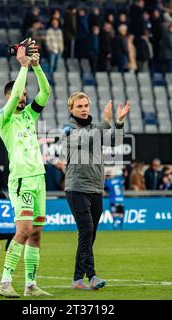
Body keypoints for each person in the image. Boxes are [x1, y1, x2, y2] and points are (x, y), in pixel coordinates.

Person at [0, 41, 51, 298]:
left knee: (37, 233)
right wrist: (23, 66)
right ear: (8, 98)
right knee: (24, 230)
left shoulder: (30, 115)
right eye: (19, 95)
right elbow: (18, 90)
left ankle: (30, 285)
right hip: (21, 180)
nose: (23, 97)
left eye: (25, 95)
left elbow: (46, 92)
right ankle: (5, 282)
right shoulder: (4, 118)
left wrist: (37, 67)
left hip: (39, 178)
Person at [62, 92, 130, 290]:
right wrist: (106, 121)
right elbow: (85, 140)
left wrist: (118, 121)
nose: (84, 109)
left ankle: (78, 279)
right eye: (79, 106)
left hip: (96, 188)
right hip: (77, 188)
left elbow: (114, 142)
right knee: (86, 231)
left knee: (90, 235)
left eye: (86, 105)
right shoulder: (68, 129)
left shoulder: (95, 129)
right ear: (71, 109)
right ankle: (90, 276)